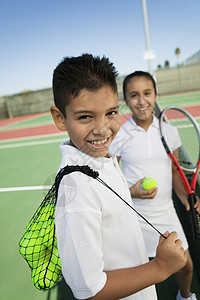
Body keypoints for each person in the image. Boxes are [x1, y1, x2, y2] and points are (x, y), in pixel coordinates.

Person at [50, 54, 187, 300]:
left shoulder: (103, 158)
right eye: (85, 116)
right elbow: (90, 291)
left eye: (111, 112)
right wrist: (160, 267)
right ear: (60, 118)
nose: (103, 128)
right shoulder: (77, 186)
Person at [109, 71, 200, 300]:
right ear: (126, 101)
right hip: (133, 218)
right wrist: (132, 192)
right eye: (134, 95)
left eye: (147, 93)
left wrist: (185, 199)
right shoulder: (119, 135)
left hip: (167, 215)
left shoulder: (170, 131)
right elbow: (109, 181)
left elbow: (173, 172)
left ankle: (185, 296)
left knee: (185, 266)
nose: (141, 101)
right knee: (139, 277)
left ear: (156, 95)